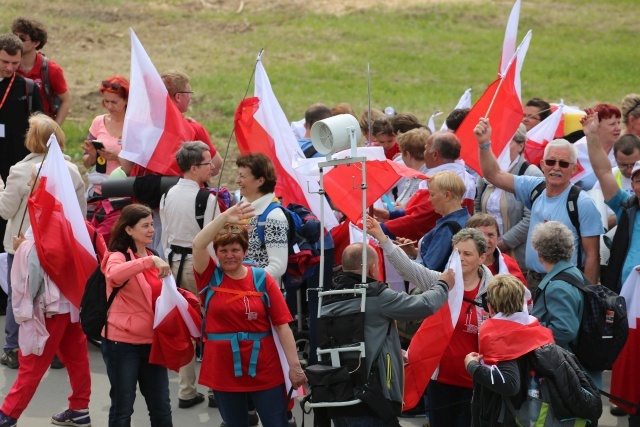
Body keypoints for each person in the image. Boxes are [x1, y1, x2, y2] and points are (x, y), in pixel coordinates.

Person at [367, 218, 493, 427]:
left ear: (482, 257)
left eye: (467, 254)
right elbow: (408, 269)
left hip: (475, 384)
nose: (460, 258)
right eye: (456, 253)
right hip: (439, 382)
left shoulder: (495, 290)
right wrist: (382, 237)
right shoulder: (441, 282)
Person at [0, 163, 98, 427]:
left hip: (51, 307)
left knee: (32, 362)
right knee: (77, 359)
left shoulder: (48, 215)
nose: (29, 182)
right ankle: (80, 408)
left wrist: (22, 248)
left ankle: (7, 414)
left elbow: (48, 257)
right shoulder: (65, 214)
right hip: (71, 303)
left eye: (33, 178)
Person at [192, 201, 306, 427]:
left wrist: (295, 367)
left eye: (235, 250)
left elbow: (283, 326)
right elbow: (197, 244)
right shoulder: (209, 277)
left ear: (245, 251)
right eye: (223, 250)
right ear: (216, 254)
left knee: (276, 423)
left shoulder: (262, 278)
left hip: (265, 367)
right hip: (223, 368)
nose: (229, 255)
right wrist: (224, 217)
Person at [322, 242, 452, 426]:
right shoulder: (376, 296)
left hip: (338, 393)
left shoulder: (328, 297)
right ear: (373, 269)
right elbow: (423, 305)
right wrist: (443, 284)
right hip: (373, 396)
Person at [475, 117, 601, 292]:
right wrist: (484, 144)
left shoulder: (582, 203)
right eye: (551, 162)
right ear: (542, 165)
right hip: (533, 280)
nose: (556, 168)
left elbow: (592, 256)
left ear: (573, 169)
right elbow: (494, 175)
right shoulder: (534, 187)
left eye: (563, 164)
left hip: (566, 284)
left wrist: (589, 296)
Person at [0, 114, 85, 371]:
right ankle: (58, 351)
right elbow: (79, 213)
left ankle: (14, 348)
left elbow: (5, 210)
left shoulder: (20, 170)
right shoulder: (72, 172)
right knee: (56, 298)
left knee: (21, 295)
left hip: (24, 245)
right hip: (60, 244)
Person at [101, 204, 174, 426]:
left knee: (161, 406)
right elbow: (113, 275)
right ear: (129, 230)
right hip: (122, 344)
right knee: (123, 407)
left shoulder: (153, 254)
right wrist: (148, 262)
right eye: (145, 226)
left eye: (152, 224)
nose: (152, 229)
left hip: (153, 341)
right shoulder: (117, 256)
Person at [159, 141, 218, 410]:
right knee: (212, 327)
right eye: (208, 163)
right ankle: (217, 389)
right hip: (199, 266)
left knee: (183, 327)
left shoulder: (166, 195)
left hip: (172, 266)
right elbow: (214, 241)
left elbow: (166, 235)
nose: (212, 167)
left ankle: (185, 391)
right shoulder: (207, 199)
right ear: (194, 168)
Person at [464, 274, 554, 427]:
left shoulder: (498, 334)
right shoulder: (535, 328)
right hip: (529, 412)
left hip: (503, 417)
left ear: (490, 306)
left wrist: (472, 366)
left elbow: (510, 383)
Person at [529, 221, 601, 387]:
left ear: (540, 254)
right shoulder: (573, 274)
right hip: (578, 371)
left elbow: (564, 330)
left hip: (569, 376)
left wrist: (532, 328)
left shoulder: (557, 287)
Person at [374, 131, 476, 242]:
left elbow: (420, 220)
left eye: (426, 149)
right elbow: (421, 212)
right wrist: (391, 215)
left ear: (435, 155)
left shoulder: (441, 181)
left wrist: (380, 229)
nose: (423, 154)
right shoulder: (461, 175)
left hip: (438, 241)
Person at [475, 124, 543, 271]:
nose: (501, 147)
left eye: (507, 142)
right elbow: (477, 208)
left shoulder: (531, 173)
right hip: (486, 253)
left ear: (520, 146)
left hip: (517, 256)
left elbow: (530, 218)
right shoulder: (487, 171)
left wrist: (502, 244)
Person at [399, 171, 470, 272]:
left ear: (447, 196)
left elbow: (427, 270)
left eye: (432, 195)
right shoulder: (467, 218)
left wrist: (397, 256)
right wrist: (414, 252)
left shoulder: (447, 229)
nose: (429, 199)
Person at [235, 153, 288, 285]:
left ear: (260, 181)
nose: (237, 181)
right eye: (238, 175)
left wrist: (245, 280)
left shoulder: (274, 216)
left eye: (242, 176)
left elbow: (278, 266)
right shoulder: (240, 208)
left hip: (262, 294)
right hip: (241, 291)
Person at [161, 70, 222, 175]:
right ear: (178, 97)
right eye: (189, 93)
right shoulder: (194, 128)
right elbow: (216, 165)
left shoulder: (148, 126)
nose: (191, 97)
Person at [11, 18, 71, 124]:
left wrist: (54, 129)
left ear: (36, 43)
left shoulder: (51, 69)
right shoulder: (8, 66)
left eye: (22, 38)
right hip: (12, 126)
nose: (16, 41)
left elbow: (66, 100)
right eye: (14, 36)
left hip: (40, 128)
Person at [82, 75, 129, 197]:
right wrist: (92, 157)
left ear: (126, 100)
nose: (109, 106)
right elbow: (86, 163)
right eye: (106, 101)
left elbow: (141, 165)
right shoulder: (98, 122)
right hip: (99, 191)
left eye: (114, 102)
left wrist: (117, 157)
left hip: (124, 191)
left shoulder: (135, 126)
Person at [466, 213, 527, 287]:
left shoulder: (509, 264)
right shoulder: (460, 264)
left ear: (498, 237)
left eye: (491, 235)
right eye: (480, 235)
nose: (486, 240)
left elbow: (522, 296)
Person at [575, 103, 622, 190]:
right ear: (596, 125)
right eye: (612, 124)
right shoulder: (577, 152)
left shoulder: (623, 150)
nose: (618, 128)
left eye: (618, 123)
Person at [393, 127, 430, 208]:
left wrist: (403, 210)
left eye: (402, 153)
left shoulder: (424, 180)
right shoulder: (415, 174)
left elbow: (418, 210)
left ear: (408, 155)